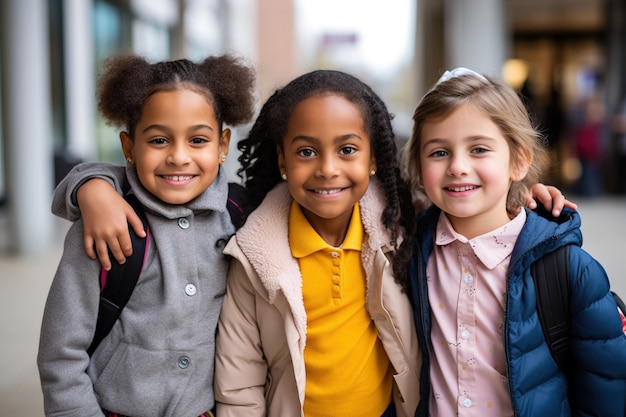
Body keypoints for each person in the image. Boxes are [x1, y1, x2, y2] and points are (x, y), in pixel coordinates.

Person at [51, 71, 572, 417]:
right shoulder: (250, 240)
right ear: (281, 161)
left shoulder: (401, 228)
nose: (326, 169)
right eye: (305, 152)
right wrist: (92, 185)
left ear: (374, 158)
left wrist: (519, 197)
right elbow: (238, 376)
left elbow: (466, 201)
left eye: (347, 149)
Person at [37, 53, 256, 417]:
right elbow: (61, 355)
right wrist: (89, 184)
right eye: (158, 141)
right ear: (129, 148)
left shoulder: (242, 216)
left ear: (222, 146)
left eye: (198, 140)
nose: (178, 157)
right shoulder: (105, 227)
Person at [403, 67, 626, 417]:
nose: (458, 166)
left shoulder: (569, 269)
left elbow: (606, 388)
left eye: (478, 149)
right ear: (417, 164)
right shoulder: (408, 250)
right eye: (439, 153)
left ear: (519, 160)